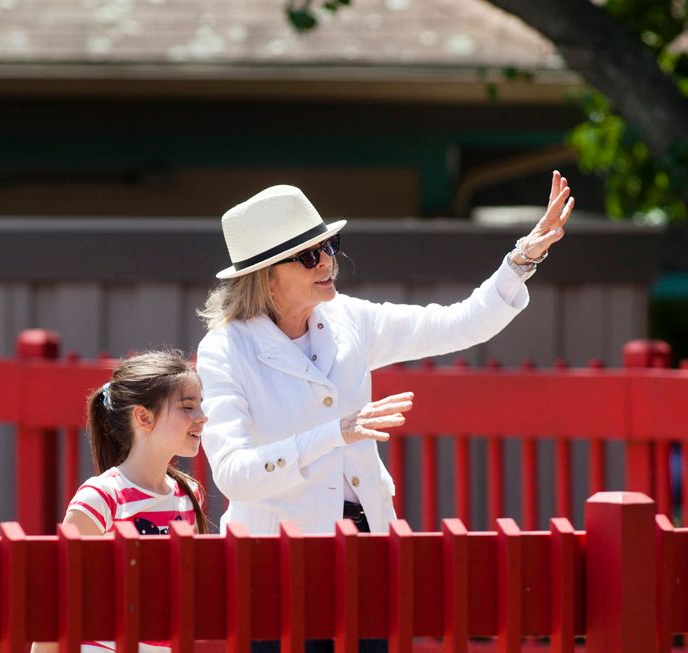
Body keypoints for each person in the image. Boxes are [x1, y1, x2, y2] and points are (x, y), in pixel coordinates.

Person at [196, 174, 573, 650]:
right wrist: (338, 432)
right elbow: (233, 475)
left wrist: (522, 259)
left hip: (366, 554)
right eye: (311, 255)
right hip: (274, 573)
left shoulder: (347, 317)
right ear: (267, 277)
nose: (329, 260)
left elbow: (457, 323)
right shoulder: (224, 349)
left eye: (331, 244)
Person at [36, 350, 209, 653]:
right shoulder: (101, 498)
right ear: (143, 417)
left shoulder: (187, 494)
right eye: (187, 406)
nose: (202, 416)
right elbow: (58, 602)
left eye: (200, 405)